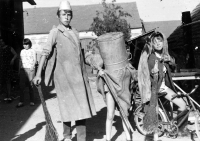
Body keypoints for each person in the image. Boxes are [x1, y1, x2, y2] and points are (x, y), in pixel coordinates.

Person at [33, 1, 96, 141]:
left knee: (82, 108)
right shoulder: (55, 32)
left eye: (69, 14)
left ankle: (81, 138)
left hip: (79, 78)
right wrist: (38, 74)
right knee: (67, 107)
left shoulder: (75, 32)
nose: (66, 17)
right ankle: (67, 137)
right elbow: (45, 52)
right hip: (63, 78)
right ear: (58, 16)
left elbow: (81, 53)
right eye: (64, 14)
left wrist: (93, 61)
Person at [138, 31, 191, 140]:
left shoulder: (164, 55)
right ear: (152, 43)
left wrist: (170, 61)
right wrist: (154, 71)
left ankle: (177, 128)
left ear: (164, 43)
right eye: (156, 42)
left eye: (160, 42)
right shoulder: (151, 57)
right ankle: (155, 137)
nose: (158, 44)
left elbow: (173, 67)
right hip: (153, 89)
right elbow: (148, 73)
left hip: (164, 88)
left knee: (183, 105)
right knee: (154, 115)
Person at [16, 38, 36, 107]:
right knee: (22, 86)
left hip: (30, 70)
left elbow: (35, 60)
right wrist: (19, 70)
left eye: (27, 44)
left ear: (30, 44)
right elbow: (20, 61)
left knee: (31, 85)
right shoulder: (22, 51)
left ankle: (32, 101)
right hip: (23, 69)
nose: (25, 46)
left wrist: (32, 67)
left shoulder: (33, 51)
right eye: (24, 44)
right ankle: (21, 101)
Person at [0, 37, 17, 103]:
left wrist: (12, 60)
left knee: (8, 82)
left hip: (8, 67)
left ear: (5, 42)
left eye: (2, 41)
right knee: (3, 82)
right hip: (1, 67)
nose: (1, 43)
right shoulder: (0, 48)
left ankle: (9, 96)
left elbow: (15, 54)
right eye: (0, 42)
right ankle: (6, 96)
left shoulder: (9, 48)